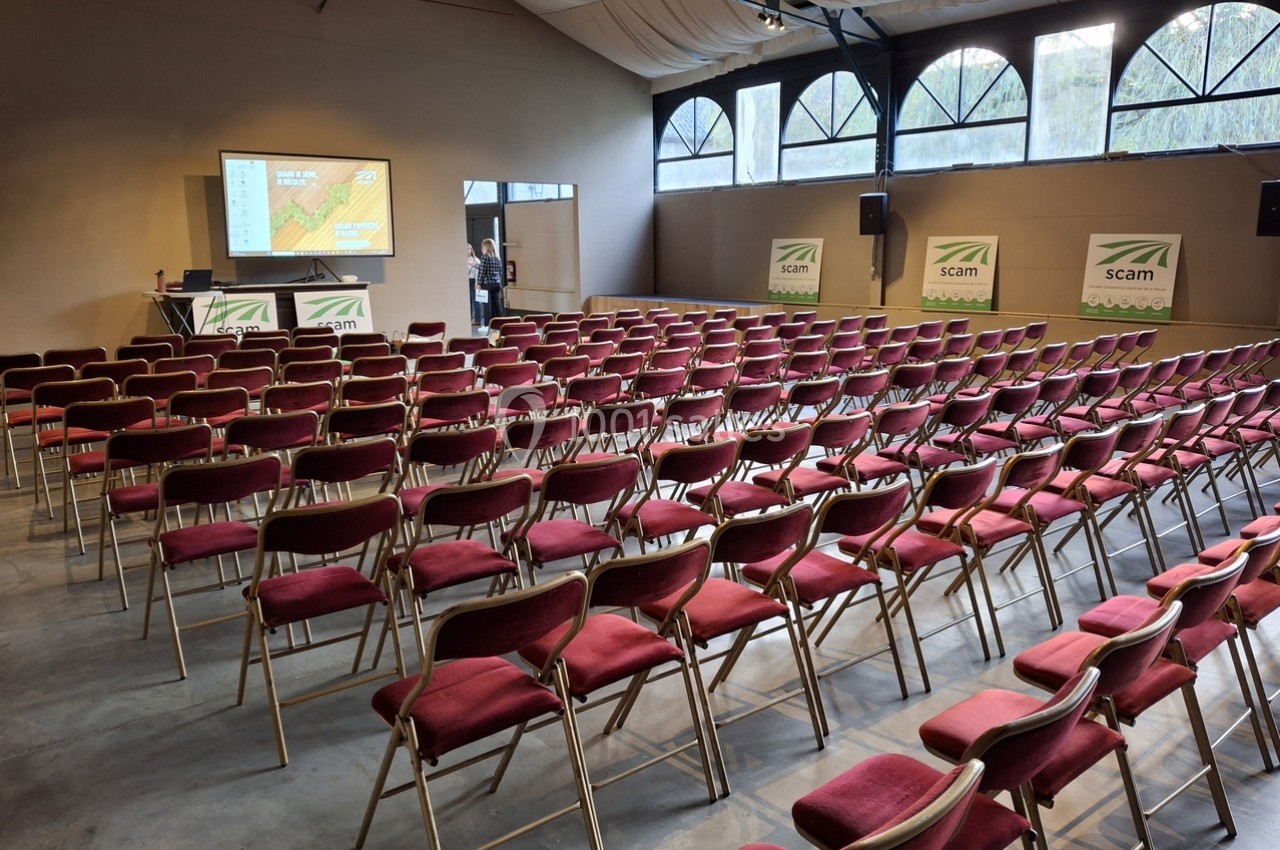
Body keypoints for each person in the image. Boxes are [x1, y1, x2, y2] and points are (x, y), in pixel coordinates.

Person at [475, 238, 504, 327]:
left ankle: (488, 325)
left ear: (486, 247)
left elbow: (482, 272)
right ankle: (500, 324)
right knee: (497, 304)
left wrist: (478, 283)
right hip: (497, 284)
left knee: (487, 306)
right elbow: (500, 272)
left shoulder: (485, 257)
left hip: (487, 284)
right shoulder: (498, 258)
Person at [466, 243, 481, 327]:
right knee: (466, 302)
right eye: (466, 248)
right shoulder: (460, 259)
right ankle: (467, 318)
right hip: (464, 282)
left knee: (475, 301)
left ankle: (477, 319)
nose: (467, 250)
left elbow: (477, 273)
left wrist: (476, 282)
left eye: (469, 248)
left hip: (472, 280)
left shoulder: (475, 260)